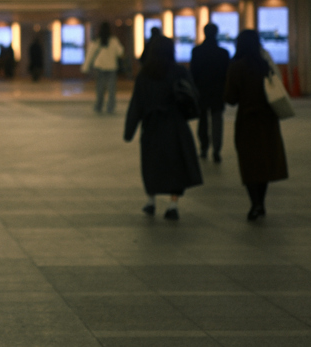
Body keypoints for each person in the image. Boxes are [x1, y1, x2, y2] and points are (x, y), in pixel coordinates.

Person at [124, 36, 203, 220]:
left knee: (152, 164)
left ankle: (151, 201)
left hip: (152, 125)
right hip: (175, 125)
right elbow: (191, 94)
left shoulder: (145, 74)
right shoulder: (179, 71)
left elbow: (136, 104)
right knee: (175, 165)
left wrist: (129, 130)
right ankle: (173, 204)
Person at [224, 29, 288, 221]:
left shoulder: (236, 67)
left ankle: (255, 203)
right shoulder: (265, 65)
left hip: (248, 121)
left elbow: (231, 98)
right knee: (264, 161)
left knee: (249, 163)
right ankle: (261, 201)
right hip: (268, 122)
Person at [190, 23, 231, 163]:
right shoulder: (223, 53)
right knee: (217, 120)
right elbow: (227, 74)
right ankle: (216, 150)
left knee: (202, 120)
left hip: (201, 91)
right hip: (218, 91)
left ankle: (204, 147)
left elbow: (193, 73)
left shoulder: (197, 51)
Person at [82, 22, 125, 114]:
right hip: (111, 67)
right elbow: (120, 52)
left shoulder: (96, 41)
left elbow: (90, 55)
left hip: (100, 67)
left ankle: (99, 106)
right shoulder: (113, 41)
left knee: (100, 88)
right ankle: (110, 107)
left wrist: (85, 67)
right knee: (111, 89)